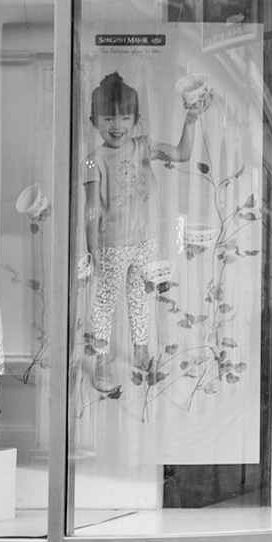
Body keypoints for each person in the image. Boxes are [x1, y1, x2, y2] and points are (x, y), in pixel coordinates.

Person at [82, 71, 208, 391]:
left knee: (140, 298)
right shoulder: (93, 161)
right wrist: (91, 246)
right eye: (108, 117)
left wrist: (191, 120)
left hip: (145, 242)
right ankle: (100, 359)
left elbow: (181, 153)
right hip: (110, 245)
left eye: (125, 117)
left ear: (136, 120)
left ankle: (140, 352)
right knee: (104, 305)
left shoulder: (143, 147)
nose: (117, 125)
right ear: (95, 121)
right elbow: (92, 206)